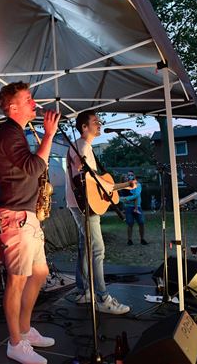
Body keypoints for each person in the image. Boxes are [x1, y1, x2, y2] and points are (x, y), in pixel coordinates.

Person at [0, 81, 59, 364]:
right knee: (17, 281)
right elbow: (33, 167)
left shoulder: (15, 132)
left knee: (39, 273)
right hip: (15, 217)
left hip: (27, 216)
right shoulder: (8, 133)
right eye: (28, 98)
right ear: (13, 106)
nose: (34, 103)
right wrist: (49, 135)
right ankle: (15, 343)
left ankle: (25, 329)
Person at [65, 110, 132, 315]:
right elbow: (85, 174)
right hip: (84, 205)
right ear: (84, 127)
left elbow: (94, 180)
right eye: (95, 122)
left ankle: (84, 290)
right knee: (98, 250)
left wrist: (122, 186)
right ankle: (103, 298)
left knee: (86, 247)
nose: (100, 124)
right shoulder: (83, 146)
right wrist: (110, 185)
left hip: (79, 203)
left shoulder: (81, 146)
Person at [121, 171, 148, 245]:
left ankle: (142, 239)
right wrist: (123, 200)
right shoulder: (125, 186)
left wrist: (126, 199)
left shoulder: (138, 184)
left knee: (141, 222)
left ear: (134, 176)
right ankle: (129, 240)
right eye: (128, 175)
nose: (130, 176)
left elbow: (136, 195)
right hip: (128, 207)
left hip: (137, 206)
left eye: (131, 175)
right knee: (130, 223)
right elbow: (121, 197)